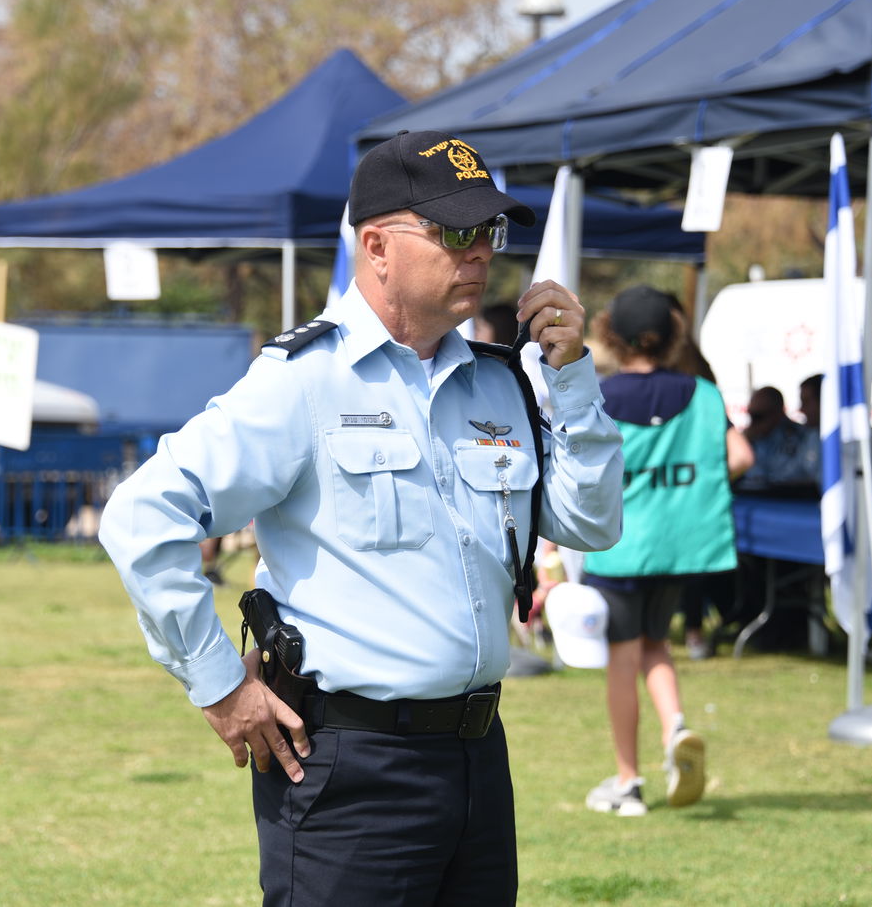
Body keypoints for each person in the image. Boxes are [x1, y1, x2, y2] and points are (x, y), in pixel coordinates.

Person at [99, 129, 624, 906]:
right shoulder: (303, 382)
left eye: (489, 231)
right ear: (376, 246)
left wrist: (573, 379)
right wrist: (218, 685)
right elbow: (143, 517)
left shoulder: (498, 381)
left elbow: (591, 523)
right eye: (454, 231)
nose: (480, 251)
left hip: (479, 758)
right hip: (349, 768)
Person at [577, 285, 753, 817]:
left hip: (620, 551)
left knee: (622, 660)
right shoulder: (702, 394)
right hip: (680, 547)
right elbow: (740, 455)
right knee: (657, 645)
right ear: (675, 333)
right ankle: (675, 726)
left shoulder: (598, 395)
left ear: (610, 333)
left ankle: (629, 782)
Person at [736, 385, 817, 492]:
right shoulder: (747, 439)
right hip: (755, 499)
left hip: (789, 501)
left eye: (758, 416)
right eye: (750, 416)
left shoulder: (802, 437)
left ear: (777, 413)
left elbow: (794, 477)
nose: (752, 423)